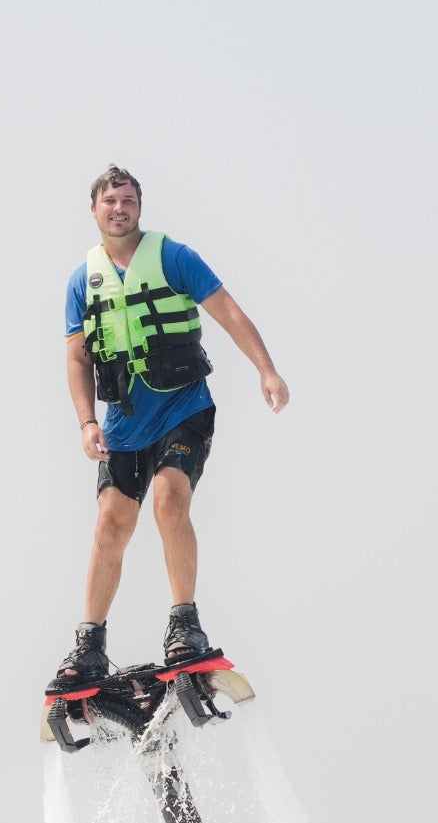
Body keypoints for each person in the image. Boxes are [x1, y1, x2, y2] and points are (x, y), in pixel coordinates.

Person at [55, 165, 289, 685]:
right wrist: (86, 421)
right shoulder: (82, 281)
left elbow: (228, 311)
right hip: (123, 423)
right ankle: (90, 643)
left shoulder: (174, 258)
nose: (119, 208)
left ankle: (185, 623)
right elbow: (77, 359)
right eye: (110, 201)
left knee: (169, 497)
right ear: (93, 210)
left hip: (184, 405)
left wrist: (266, 370)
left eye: (128, 200)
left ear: (140, 206)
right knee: (111, 523)